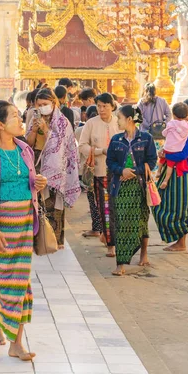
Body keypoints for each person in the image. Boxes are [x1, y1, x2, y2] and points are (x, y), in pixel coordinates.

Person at [0, 100, 47, 360]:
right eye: (15, 116)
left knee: (20, 282)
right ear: (0, 125)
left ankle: (16, 342)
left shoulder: (25, 149)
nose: (20, 119)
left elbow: (29, 182)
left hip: (23, 223)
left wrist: (37, 183)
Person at [26, 88, 81, 248]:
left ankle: (56, 240)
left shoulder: (62, 122)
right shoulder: (34, 119)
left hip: (57, 167)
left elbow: (64, 146)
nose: (42, 107)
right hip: (37, 163)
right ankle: (39, 239)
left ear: (53, 103)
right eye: (39, 105)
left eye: (45, 104)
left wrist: (47, 130)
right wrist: (36, 129)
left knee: (54, 204)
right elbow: (28, 143)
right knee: (38, 203)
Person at [106, 105, 157, 275]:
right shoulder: (115, 140)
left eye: (119, 118)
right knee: (121, 224)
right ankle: (120, 264)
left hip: (139, 186)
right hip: (120, 186)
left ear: (129, 119)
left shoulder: (146, 138)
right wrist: (122, 171)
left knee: (141, 221)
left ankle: (144, 254)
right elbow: (110, 162)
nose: (117, 121)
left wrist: (134, 172)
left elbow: (152, 161)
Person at [153, 97, 188, 252]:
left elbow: (183, 154)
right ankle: (177, 239)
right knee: (162, 202)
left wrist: (165, 155)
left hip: (182, 172)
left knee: (179, 208)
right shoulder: (185, 128)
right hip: (174, 170)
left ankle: (181, 242)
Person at [78, 93, 121, 256]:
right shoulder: (91, 123)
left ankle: (110, 236)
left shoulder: (119, 122)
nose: (102, 109)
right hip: (100, 172)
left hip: (119, 173)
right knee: (105, 208)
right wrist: (99, 151)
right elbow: (82, 146)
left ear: (112, 106)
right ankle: (111, 244)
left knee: (117, 208)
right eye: (99, 106)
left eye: (105, 106)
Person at [75, 105, 103, 240]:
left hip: (87, 170)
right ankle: (100, 228)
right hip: (99, 168)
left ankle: (97, 228)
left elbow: (79, 150)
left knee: (93, 199)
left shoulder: (79, 130)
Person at [156, 102, 188, 190]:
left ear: (174, 114)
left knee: (161, 159)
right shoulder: (187, 126)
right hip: (177, 150)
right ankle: (166, 180)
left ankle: (158, 171)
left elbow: (164, 133)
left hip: (167, 147)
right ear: (186, 115)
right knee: (170, 166)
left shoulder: (171, 123)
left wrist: (165, 133)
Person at [137, 83, 172, 151]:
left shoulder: (142, 101)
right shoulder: (162, 101)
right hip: (159, 133)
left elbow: (138, 116)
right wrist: (164, 124)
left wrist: (148, 125)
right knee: (158, 153)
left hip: (145, 132)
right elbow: (169, 114)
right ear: (155, 91)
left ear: (145, 91)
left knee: (146, 154)